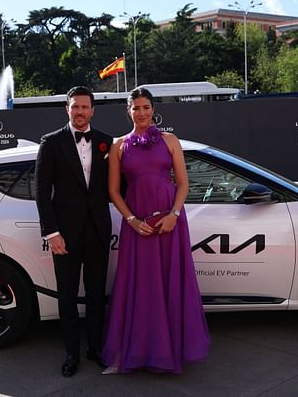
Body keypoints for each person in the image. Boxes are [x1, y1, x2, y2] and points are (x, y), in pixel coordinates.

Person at [101, 87, 211, 374]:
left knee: (170, 283)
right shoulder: (119, 146)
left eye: (146, 107)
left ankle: (171, 350)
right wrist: (132, 220)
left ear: (153, 109)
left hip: (170, 224)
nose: (142, 113)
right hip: (137, 226)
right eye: (136, 108)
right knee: (138, 286)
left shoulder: (170, 140)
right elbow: (113, 191)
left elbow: (183, 183)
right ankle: (130, 353)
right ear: (129, 111)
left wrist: (174, 214)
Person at [34, 86, 113, 377]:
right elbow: (42, 192)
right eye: (74, 106)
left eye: (84, 107)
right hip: (64, 236)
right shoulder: (51, 143)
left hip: (98, 232)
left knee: (96, 295)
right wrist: (51, 232)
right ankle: (71, 353)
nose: (79, 112)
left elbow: (119, 187)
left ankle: (95, 348)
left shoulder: (107, 143)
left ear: (92, 110)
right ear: (67, 109)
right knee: (66, 296)